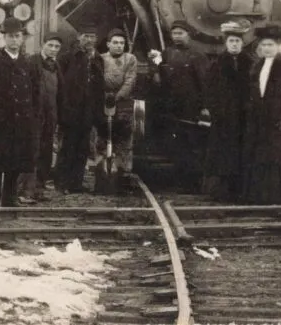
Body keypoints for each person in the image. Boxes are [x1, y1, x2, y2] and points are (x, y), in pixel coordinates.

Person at [0, 18, 39, 207]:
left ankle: (10, 198)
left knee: (16, 159)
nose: (14, 40)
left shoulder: (28, 64)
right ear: (4, 39)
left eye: (17, 36)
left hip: (21, 120)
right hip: (0, 120)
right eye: (10, 37)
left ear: (22, 39)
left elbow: (36, 91)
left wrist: (31, 113)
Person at [242, 22, 281, 205]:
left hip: (279, 121)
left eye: (270, 45)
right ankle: (259, 195)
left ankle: (278, 196)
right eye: (263, 45)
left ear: (278, 46)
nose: (267, 48)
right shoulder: (257, 66)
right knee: (260, 157)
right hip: (260, 119)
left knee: (277, 158)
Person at [150, 20, 210, 188]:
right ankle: (179, 181)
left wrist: (204, 107)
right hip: (171, 109)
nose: (177, 37)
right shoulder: (167, 53)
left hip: (190, 109)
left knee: (191, 146)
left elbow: (204, 83)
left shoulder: (198, 55)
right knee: (176, 146)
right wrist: (153, 67)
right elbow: (158, 74)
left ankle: (192, 183)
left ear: (188, 35)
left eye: (180, 33)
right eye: (174, 33)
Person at [202, 21, 254, 202]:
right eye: (231, 41)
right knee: (222, 154)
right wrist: (216, 112)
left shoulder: (250, 64)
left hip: (244, 117)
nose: (234, 44)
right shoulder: (217, 65)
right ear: (226, 43)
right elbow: (209, 91)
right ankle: (220, 191)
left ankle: (240, 190)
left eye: (237, 42)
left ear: (242, 44)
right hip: (223, 118)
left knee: (242, 152)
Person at [54, 24, 104, 194]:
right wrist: (63, 109)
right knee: (68, 146)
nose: (89, 40)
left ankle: (76, 183)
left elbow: (99, 87)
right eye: (86, 36)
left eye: (92, 37)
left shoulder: (98, 59)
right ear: (79, 37)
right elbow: (60, 85)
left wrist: (97, 112)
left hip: (88, 111)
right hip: (71, 110)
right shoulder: (67, 58)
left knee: (83, 148)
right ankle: (61, 183)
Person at [21, 33, 63, 202]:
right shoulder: (32, 62)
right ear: (43, 45)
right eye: (50, 45)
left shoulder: (56, 65)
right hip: (34, 116)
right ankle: (25, 191)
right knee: (32, 151)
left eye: (57, 47)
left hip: (50, 115)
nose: (53, 49)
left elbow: (59, 92)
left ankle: (39, 188)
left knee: (45, 152)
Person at [95, 28, 138, 190]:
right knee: (101, 137)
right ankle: (101, 173)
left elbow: (130, 80)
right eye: (115, 43)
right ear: (108, 44)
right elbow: (98, 79)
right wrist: (104, 95)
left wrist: (118, 96)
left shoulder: (130, 59)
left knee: (124, 139)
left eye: (122, 43)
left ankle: (123, 173)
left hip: (123, 103)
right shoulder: (100, 59)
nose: (119, 46)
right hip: (104, 102)